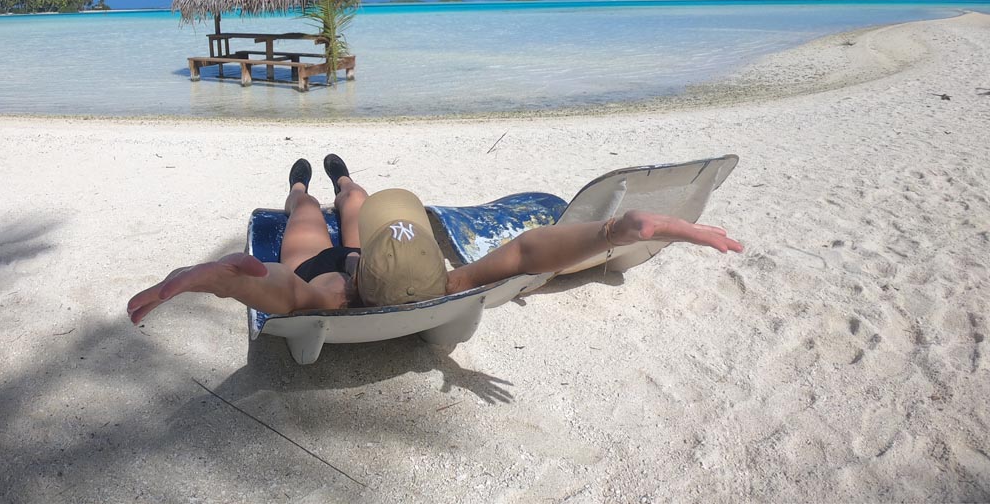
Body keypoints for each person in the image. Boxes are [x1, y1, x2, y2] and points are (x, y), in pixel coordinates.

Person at [127, 153, 743, 325]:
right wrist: (612, 231)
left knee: (304, 213)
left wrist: (218, 280)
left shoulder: (339, 289)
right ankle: (343, 178)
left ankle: (306, 182)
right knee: (358, 205)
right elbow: (528, 251)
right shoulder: (441, 282)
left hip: (335, 262)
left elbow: (288, 294)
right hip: (386, 264)